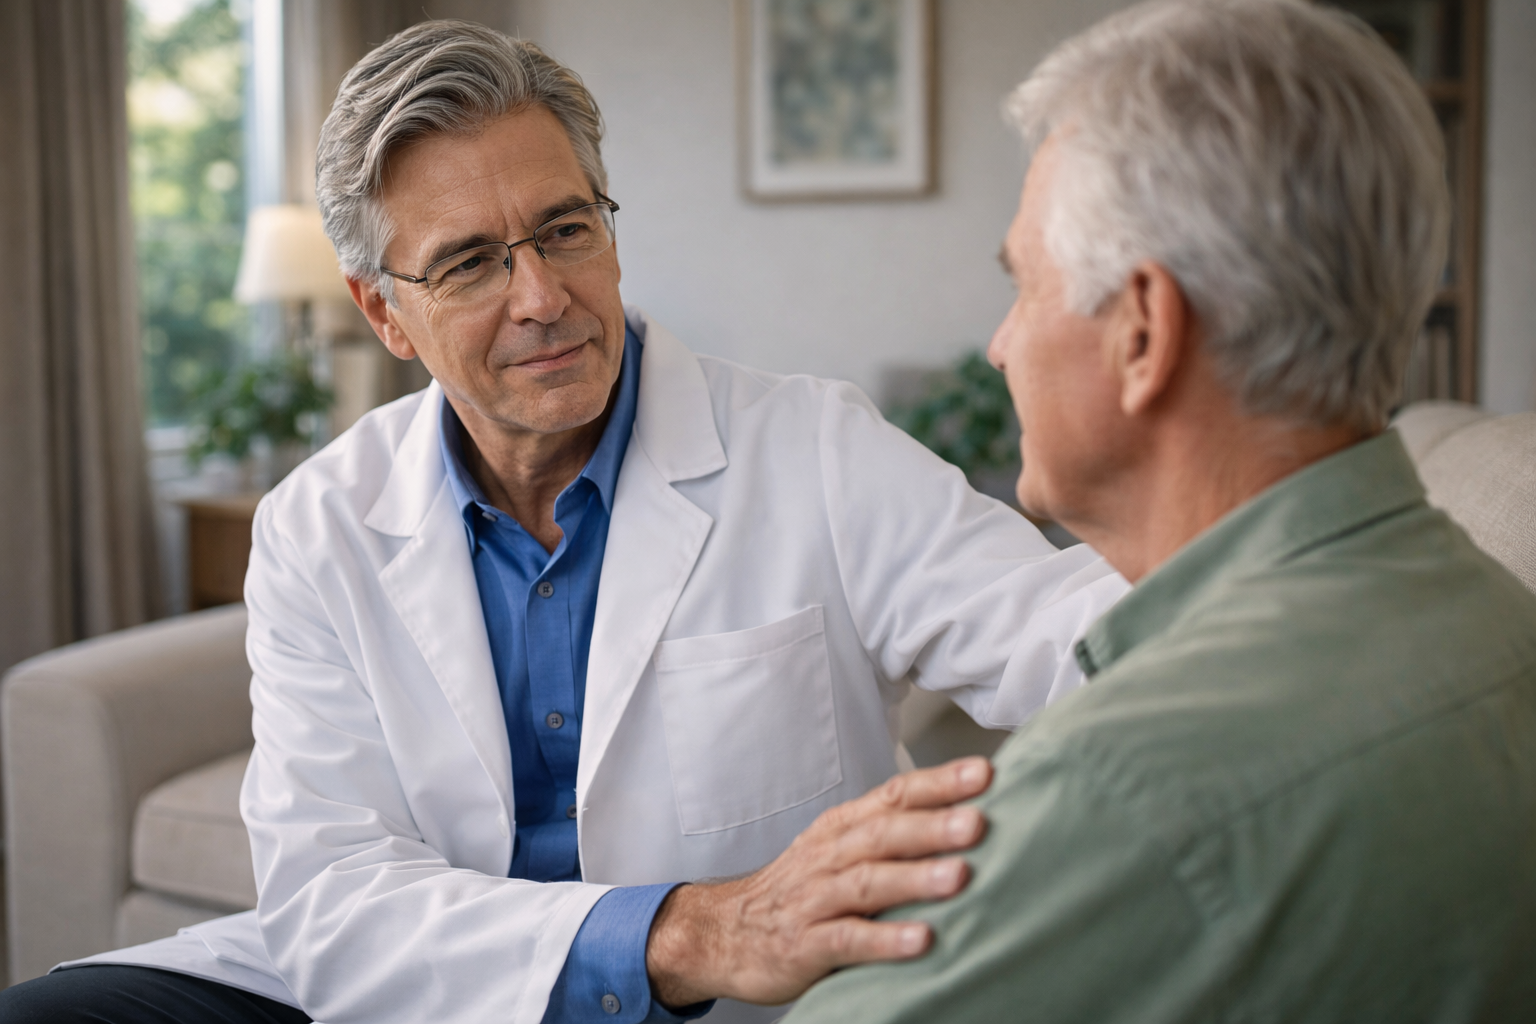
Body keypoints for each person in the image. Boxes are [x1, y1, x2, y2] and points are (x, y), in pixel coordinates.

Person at [0, 18, 1128, 1024]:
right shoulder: (316, 525)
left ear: (610, 225)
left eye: (565, 229)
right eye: (472, 262)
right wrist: (686, 931)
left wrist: (1277, 582)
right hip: (422, 992)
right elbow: (333, 896)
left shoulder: (815, 449)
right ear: (383, 311)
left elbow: (1064, 633)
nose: (541, 296)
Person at [784, 1, 1536, 1022]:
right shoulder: (1499, 618)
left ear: (1143, 332)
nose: (1001, 347)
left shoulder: (1119, 790)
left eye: (1025, 289)